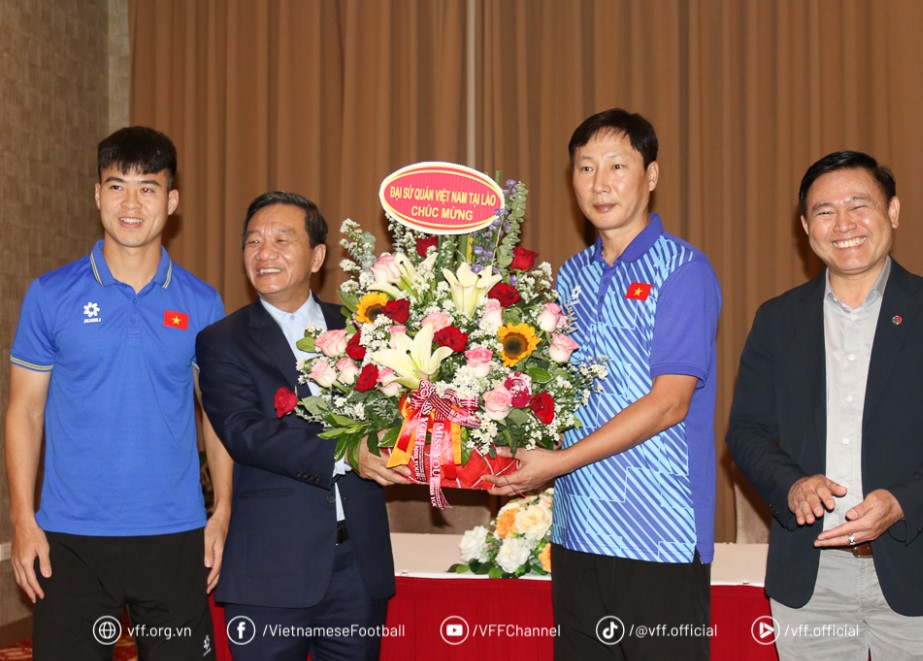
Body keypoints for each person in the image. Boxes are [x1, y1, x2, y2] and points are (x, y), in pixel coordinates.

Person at [486, 108, 721, 659]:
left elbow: (669, 404)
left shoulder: (682, 270)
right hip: (577, 530)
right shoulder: (572, 274)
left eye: (617, 165)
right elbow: (552, 395)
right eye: (586, 167)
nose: (600, 183)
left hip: (658, 533)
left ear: (651, 175)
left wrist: (557, 462)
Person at [5, 126, 232, 660]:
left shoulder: (202, 302)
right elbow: (25, 411)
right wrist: (22, 517)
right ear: (97, 195)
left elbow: (217, 415)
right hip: (70, 540)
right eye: (116, 186)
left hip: (175, 536)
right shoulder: (50, 295)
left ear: (171, 201)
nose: (131, 204)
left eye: (148, 188)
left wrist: (223, 511)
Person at [195, 191, 408, 660]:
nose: (264, 253)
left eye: (281, 240)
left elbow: (397, 410)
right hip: (270, 569)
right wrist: (347, 451)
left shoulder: (362, 328)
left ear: (316, 256)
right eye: (253, 241)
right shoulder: (222, 341)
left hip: (357, 567)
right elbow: (244, 432)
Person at [726, 150, 923, 659]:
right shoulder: (777, 320)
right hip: (811, 579)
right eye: (825, 211)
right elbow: (745, 431)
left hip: (915, 566)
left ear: (893, 211)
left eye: (859, 205)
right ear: (805, 227)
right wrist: (792, 484)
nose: (844, 224)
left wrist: (905, 501)